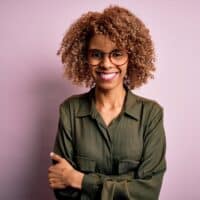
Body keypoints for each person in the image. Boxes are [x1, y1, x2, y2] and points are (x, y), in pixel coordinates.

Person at [48, 5, 166, 200]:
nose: (106, 63)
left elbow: (148, 192)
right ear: (85, 57)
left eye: (117, 53)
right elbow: (62, 187)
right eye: (96, 54)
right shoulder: (70, 110)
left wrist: (80, 180)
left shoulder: (151, 114)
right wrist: (125, 187)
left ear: (131, 57)